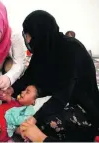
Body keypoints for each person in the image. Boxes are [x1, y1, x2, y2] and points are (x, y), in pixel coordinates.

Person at [8, 10, 99, 141]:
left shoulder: (71, 49)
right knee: (24, 114)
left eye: (28, 35)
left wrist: (35, 118)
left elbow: (63, 95)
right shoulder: (43, 49)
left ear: (39, 35)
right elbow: (29, 76)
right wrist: (11, 90)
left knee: (46, 122)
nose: (27, 39)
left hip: (82, 106)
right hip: (61, 98)